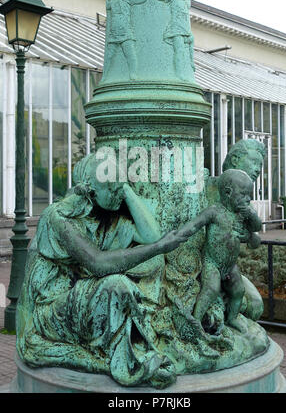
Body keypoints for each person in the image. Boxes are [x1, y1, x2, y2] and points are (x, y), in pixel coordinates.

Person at [16, 153, 191, 389]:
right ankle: (128, 362)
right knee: (117, 285)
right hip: (51, 309)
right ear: (91, 190)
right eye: (113, 187)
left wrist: (126, 190)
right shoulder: (58, 216)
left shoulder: (107, 218)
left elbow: (152, 237)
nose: (119, 192)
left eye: (122, 185)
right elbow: (97, 263)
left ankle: (135, 342)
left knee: (153, 265)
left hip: (78, 295)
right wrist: (158, 247)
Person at [176, 169, 262, 334]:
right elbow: (195, 224)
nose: (248, 199)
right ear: (228, 193)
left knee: (239, 291)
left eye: (249, 195)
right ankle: (196, 318)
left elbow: (257, 228)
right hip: (212, 262)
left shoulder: (241, 215)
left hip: (230, 266)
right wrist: (179, 235)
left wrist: (252, 215)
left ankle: (233, 318)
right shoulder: (215, 211)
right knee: (211, 288)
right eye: (244, 194)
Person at [104, 0, 148, 80]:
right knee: (109, 56)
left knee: (130, 54)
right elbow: (107, 4)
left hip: (125, 32)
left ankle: (133, 73)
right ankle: (105, 75)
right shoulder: (113, 2)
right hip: (114, 33)